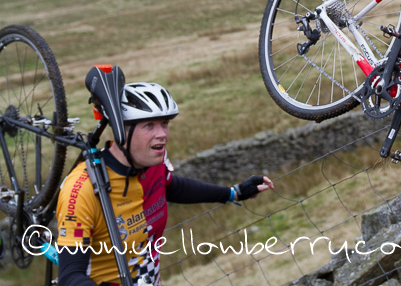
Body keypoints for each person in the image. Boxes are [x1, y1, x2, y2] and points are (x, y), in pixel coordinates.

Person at [57, 79, 274, 286]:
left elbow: (172, 187)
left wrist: (234, 192)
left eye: (165, 123)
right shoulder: (82, 189)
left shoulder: (152, 163)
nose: (162, 134)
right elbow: (70, 276)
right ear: (122, 131)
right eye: (149, 125)